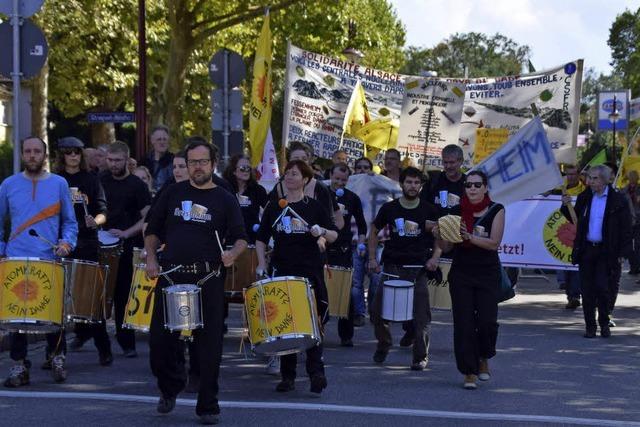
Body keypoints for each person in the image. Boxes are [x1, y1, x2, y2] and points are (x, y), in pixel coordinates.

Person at [145, 140, 248, 425]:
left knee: (209, 347)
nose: (198, 167)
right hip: (171, 276)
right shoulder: (172, 192)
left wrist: (233, 254)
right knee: (159, 343)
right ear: (186, 164)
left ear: (213, 164)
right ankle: (170, 386)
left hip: (208, 277)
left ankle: (207, 404)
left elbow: (241, 237)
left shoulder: (225, 197)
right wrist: (151, 259)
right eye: (193, 162)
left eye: (203, 162)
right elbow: (153, 231)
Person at [0, 136, 78, 387]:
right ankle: (19, 365)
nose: (32, 155)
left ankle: (57, 357)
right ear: (22, 155)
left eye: (37, 151)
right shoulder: (8, 185)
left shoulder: (59, 183)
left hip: (49, 257)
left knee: (53, 311)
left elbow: (70, 222)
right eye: (28, 151)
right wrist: (1, 250)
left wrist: (67, 242)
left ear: (45, 155)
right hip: (15, 258)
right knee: (16, 317)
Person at [256, 160, 338, 394]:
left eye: (294, 174)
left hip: (309, 272)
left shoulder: (314, 207)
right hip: (283, 271)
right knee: (286, 323)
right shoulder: (274, 207)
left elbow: (334, 234)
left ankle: (316, 372)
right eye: (287, 174)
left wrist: (321, 231)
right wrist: (262, 263)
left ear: (305, 179)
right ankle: (288, 376)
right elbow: (261, 238)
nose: (289, 177)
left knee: (313, 322)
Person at [432, 170, 505, 390]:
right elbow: (447, 247)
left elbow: (494, 243)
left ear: (485, 188)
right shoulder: (455, 212)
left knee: (486, 322)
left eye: (477, 185)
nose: (472, 189)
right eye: (468, 185)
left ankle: (483, 357)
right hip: (462, 271)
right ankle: (468, 371)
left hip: (487, 272)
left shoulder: (496, 210)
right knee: (463, 323)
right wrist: (439, 234)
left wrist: (470, 237)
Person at [368, 166, 439, 371]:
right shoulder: (390, 209)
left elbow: (439, 237)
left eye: (417, 182)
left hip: (418, 269)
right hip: (392, 267)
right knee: (377, 312)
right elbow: (373, 231)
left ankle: (420, 356)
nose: (412, 186)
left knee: (421, 316)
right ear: (402, 184)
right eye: (409, 182)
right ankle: (384, 344)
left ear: (421, 185)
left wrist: (434, 258)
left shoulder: (429, 210)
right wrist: (372, 258)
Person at [54, 137, 113, 366]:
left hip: (87, 243)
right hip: (60, 245)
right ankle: (57, 353)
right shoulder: (54, 181)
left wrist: (95, 221)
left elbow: (103, 211)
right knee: (58, 302)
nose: (73, 156)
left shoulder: (91, 179)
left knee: (90, 300)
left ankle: (104, 348)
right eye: (68, 153)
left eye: (77, 152)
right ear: (62, 156)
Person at [561, 165, 632, 339]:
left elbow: (626, 227)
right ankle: (590, 327)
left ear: (606, 180)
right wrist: (566, 206)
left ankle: (604, 322)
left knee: (603, 288)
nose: (590, 181)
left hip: (606, 252)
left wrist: (623, 252)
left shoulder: (618, 200)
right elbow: (574, 218)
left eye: (594, 178)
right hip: (587, 250)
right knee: (587, 290)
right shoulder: (585, 197)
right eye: (589, 178)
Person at [101, 141, 151, 357]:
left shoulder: (137, 185)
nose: (113, 164)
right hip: (100, 245)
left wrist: (127, 232)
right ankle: (98, 342)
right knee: (98, 294)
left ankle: (126, 343)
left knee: (123, 296)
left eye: (118, 160)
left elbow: (148, 217)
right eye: (110, 160)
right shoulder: (99, 181)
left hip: (126, 245)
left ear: (127, 160)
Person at [327, 163, 367, 346]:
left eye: (344, 180)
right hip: (323, 249)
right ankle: (318, 328)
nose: (340, 183)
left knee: (346, 293)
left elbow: (362, 224)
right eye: (337, 179)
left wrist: (361, 242)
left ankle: (346, 335)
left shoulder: (353, 198)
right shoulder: (321, 195)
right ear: (330, 176)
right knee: (321, 290)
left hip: (343, 250)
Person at [271, 141, 344, 231]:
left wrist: (326, 238)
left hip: (313, 241)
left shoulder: (320, 187)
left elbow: (335, 220)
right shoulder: (279, 187)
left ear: (309, 162)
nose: (300, 162)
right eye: (296, 159)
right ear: (289, 161)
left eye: (304, 159)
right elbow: (270, 217)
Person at [350, 157, 380, 323]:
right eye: (359, 168)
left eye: (366, 167)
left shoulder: (379, 188)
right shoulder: (349, 188)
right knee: (356, 282)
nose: (362, 171)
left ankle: (373, 310)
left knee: (376, 279)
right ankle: (359, 313)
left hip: (375, 243)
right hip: (355, 242)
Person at [554, 164, 584, 309]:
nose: (571, 177)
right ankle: (570, 293)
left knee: (576, 265)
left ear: (578, 174)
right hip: (562, 233)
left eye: (573, 174)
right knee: (565, 263)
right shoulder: (558, 190)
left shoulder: (585, 191)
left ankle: (575, 295)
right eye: (568, 174)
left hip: (580, 233)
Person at [222, 154, 268, 244]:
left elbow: (269, 210)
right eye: (243, 168)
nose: (246, 171)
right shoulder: (225, 189)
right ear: (234, 171)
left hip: (252, 238)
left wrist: (263, 228)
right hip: (230, 239)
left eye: (248, 168)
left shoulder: (258, 190)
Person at [420, 144, 466, 215]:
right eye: (445, 162)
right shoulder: (433, 180)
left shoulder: (468, 184)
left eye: (452, 162)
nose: (448, 166)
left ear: (461, 161)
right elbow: (421, 205)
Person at [140, 124, 174, 192]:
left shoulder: (174, 161)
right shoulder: (144, 161)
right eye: (159, 139)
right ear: (152, 141)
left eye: (164, 139)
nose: (162, 142)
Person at [623, 170, 640, 275]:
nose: (632, 179)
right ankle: (633, 266)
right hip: (628, 221)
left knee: (638, 245)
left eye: (633, 177)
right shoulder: (624, 190)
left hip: (638, 220)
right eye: (630, 177)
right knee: (629, 245)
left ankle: (637, 266)